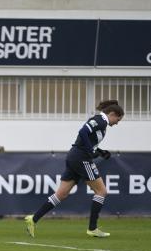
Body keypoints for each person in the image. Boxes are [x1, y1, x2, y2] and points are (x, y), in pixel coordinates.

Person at [25, 100, 124, 238]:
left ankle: (33, 219)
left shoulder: (100, 121)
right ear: (112, 114)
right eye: (117, 120)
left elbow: (86, 139)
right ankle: (92, 228)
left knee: (61, 194)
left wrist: (100, 152)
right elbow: (83, 132)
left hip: (74, 157)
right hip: (81, 159)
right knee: (101, 191)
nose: (116, 124)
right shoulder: (101, 121)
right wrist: (90, 150)